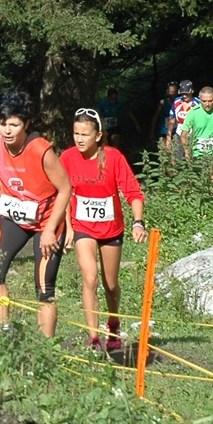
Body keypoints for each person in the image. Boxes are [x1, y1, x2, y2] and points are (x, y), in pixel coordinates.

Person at [0, 92, 72, 337]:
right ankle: (2, 331)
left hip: (47, 220)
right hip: (14, 216)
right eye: (2, 123)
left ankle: (47, 346)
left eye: (14, 125)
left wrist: (50, 230)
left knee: (44, 288)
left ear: (26, 125)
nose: (7, 130)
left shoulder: (41, 150)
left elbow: (65, 188)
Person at [62, 108, 146, 353]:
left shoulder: (113, 157)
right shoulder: (67, 157)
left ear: (98, 135)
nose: (79, 139)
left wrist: (138, 222)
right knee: (90, 278)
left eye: (85, 134)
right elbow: (62, 194)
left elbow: (133, 192)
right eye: (76, 133)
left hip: (111, 229)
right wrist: (67, 228)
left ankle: (113, 323)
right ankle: (94, 338)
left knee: (110, 285)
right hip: (82, 227)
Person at [170, 79, 197, 158]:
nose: (184, 96)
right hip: (179, 133)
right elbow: (172, 118)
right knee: (176, 158)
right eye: (182, 94)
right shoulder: (176, 101)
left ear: (192, 91)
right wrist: (169, 136)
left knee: (191, 158)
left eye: (187, 93)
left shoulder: (198, 103)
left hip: (194, 135)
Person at [154, 80, 179, 154]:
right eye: (171, 91)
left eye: (175, 91)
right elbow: (155, 117)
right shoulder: (163, 102)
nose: (173, 94)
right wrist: (152, 132)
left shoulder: (180, 103)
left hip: (177, 131)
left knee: (176, 153)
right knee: (166, 152)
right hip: (164, 131)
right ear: (167, 92)